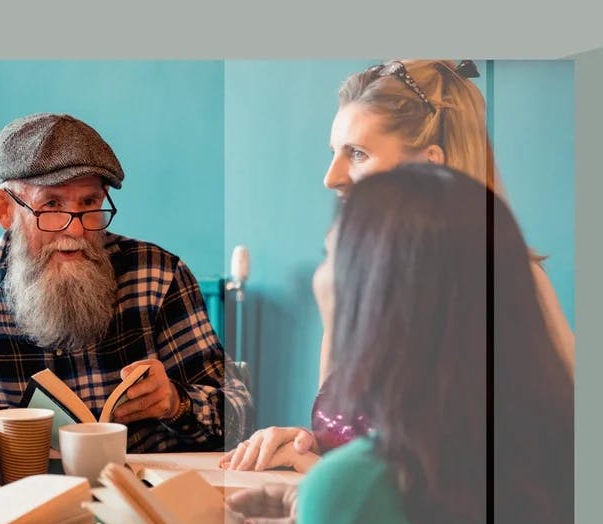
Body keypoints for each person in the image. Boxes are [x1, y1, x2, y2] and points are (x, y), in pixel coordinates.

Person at [223, 58, 575, 471]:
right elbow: (347, 449)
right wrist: (303, 446)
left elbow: (514, 483)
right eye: (334, 152)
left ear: (428, 164)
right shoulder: (349, 286)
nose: (330, 177)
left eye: (357, 153)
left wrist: (322, 477)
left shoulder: (511, 285)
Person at [228, 165, 573, 524]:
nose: (332, 175)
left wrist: (337, 509)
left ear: (377, 290)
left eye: (329, 256)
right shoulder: (557, 460)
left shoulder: (352, 488)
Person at [0, 112, 252, 453]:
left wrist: (177, 402)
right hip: (18, 495)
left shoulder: (158, 274)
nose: (76, 229)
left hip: (144, 493)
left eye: (89, 203)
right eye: (51, 204)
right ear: (4, 209)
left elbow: (240, 417)